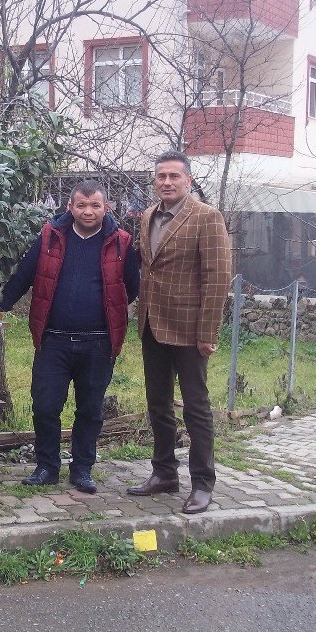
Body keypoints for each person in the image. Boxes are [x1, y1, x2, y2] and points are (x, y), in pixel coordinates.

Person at [0, 180, 139, 494]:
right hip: (53, 340)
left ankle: (82, 469)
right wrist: (0, 305)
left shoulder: (121, 242)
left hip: (98, 342)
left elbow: (131, 286)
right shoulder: (49, 237)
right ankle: (46, 467)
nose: (88, 211)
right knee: (45, 407)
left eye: (95, 205)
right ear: (70, 207)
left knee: (90, 410)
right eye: (81, 205)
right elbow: (24, 275)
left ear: (106, 208)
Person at [127, 152, 231, 514]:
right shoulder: (147, 216)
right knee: (158, 404)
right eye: (160, 176)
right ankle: (164, 472)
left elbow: (217, 278)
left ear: (188, 180)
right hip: (152, 325)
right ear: (154, 181)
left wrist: (208, 332)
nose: (166, 182)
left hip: (190, 331)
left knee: (196, 408)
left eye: (174, 176)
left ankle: (203, 483)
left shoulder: (206, 217)